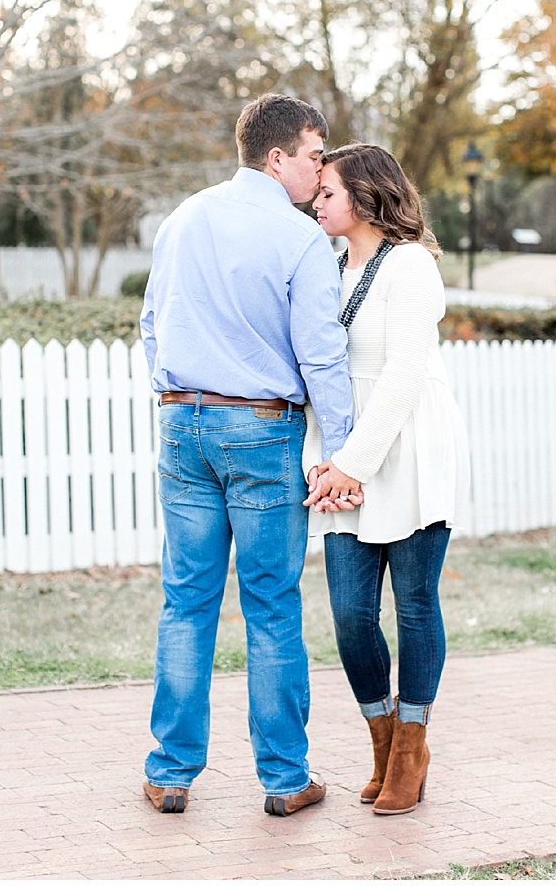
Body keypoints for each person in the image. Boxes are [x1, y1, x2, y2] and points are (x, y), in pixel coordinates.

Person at [141, 94, 356, 818]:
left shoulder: (183, 218)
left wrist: (176, 396)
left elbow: (151, 324)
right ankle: (286, 779)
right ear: (277, 158)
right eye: (314, 153)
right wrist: (347, 454)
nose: (320, 168)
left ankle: (169, 772)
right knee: (270, 607)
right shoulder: (299, 241)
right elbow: (323, 359)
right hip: (262, 430)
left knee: (186, 602)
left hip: (182, 423)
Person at [303, 142, 465, 816]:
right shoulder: (327, 267)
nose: (316, 204)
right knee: (349, 615)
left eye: (328, 194)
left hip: (408, 455)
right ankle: (381, 736)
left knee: (416, 604)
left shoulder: (412, 268)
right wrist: (326, 459)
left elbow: (401, 377)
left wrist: (352, 464)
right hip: (346, 462)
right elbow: (321, 372)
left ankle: (412, 747)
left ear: (366, 196)